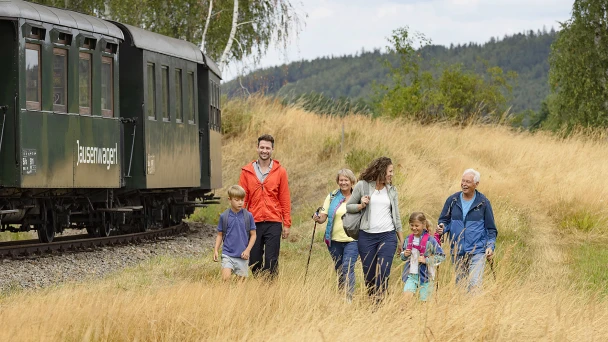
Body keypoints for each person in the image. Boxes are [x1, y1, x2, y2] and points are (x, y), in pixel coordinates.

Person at [346, 157, 404, 301]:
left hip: (388, 236)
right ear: (382, 170)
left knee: (383, 272)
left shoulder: (391, 190)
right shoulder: (362, 186)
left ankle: (379, 304)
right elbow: (349, 206)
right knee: (369, 275)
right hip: (367, 237)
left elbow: (396, 217)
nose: (392, 174)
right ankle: (373, 303)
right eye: (390, 171)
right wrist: (361, 205)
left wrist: (401, 240)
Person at [239, 134, 291, 278]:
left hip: (273, 221)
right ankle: (261, 284)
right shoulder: (247, 171)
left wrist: (286, 223)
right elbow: (242, 198)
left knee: (271, 260)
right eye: (262, 147)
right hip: (253, 221)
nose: (264, 150)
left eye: (267, 148)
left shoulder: (280, 171)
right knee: (254, 260)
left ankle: (270, 291)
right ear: (257, 148)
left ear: (272, 150)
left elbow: (284, 199)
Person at [437, 168, 498, 292]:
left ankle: (476, 309)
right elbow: (444, 220)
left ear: (476, 184)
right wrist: (442, 227)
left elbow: (491, 229)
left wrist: (490, 246)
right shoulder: (452, 200)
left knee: (475, 285)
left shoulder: (483, 203)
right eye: (463, 181)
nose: (464, 184)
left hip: (477, 251)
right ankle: (464, 311)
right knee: (461, 286)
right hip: (457, 250)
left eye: (468, 182)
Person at [312, 169, 359, 300]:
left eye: (346, 180)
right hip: (334, 241)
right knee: (339, 269)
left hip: (353, 240)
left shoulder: (359, 196)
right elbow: (323, 217)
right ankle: (341, 295)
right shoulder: (332, 196)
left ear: (352, 181)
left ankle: (348, 298)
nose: (343, 183)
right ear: (338, 181)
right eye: (341, 180)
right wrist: (317, 217)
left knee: (347, 267)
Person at [213, 185, 257, 280]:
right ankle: (225, 295)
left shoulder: (248, 216)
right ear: (230, 200)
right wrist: (216, 250)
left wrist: (247, 250)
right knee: (225, 279)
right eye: (237, 200)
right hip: (227, 254)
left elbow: (253, 235)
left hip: (242, 256)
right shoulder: (224, 216)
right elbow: (220, 235)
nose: (240, 203)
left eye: (242, 200)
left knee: (240, 286)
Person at [400, 212, 445, 302]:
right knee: (405, 301)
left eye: (417, 225)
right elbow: (403, 256)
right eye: (411, 225)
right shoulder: (408, 239)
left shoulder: (430, 241)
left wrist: (427, 260)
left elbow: (441, 256)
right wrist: (404, 255)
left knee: (425, 303)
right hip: (411, 275)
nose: (414, 228)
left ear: (423, 224)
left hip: (426, 277)